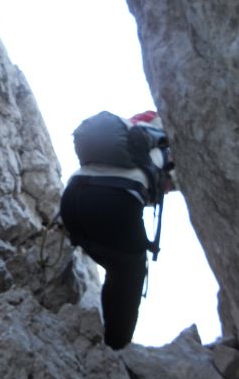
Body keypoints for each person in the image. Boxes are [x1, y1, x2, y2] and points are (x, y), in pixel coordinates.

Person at [60, 110, 174, 350]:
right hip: (114, 205)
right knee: (129, 272)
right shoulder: (168, 141)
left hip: (71, 199)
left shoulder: (131, 131)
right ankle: (117, 348)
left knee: (113, 262)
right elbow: (172, 181)